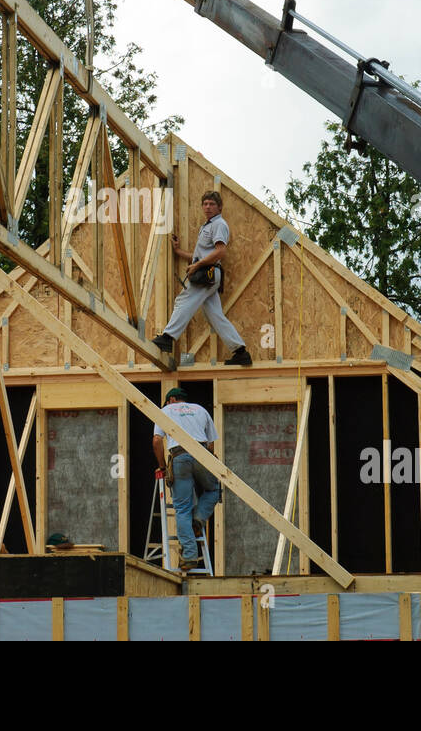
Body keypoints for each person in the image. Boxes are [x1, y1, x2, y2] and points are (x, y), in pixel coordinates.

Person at [151, 191, 252, 365]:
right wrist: (178, 252)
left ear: (220, 207)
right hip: (208, 273)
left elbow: (220, 251)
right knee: (214, 315)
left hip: (208, 273)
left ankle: (167, 338)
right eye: (205, 204)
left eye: (212, 204)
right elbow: (199, 256)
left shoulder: (219, 224)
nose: (208, 207)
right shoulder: (206, 227)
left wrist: (197, 266)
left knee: (183, 300)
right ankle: (240, 351)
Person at [152, 388, 221, 572]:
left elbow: (157, 441)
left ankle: (190, 557)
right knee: (214, 490)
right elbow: (211, 443)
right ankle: (198, 519)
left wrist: (163, 467)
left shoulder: (165, 411)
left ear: (172, 399)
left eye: (167, 401)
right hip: (202, 455)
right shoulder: (200, 409)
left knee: (182, 508)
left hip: (179, 457)